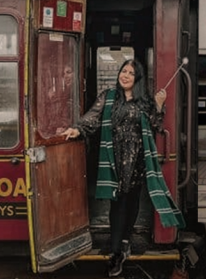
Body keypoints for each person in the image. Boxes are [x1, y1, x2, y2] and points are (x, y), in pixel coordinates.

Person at [61, 59, 167, 277]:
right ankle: (117, 251)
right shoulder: (108, 97)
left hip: (137, 160)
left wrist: (158, 104)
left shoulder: (145, 101)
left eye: (130, 73)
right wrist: (77, 129)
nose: (125, 75)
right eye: (123, 71)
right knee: (117, 204)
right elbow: (93, 116)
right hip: (114, 158)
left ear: (137, 79)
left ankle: (125, 241)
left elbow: (156, 125)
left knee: (132, 203)